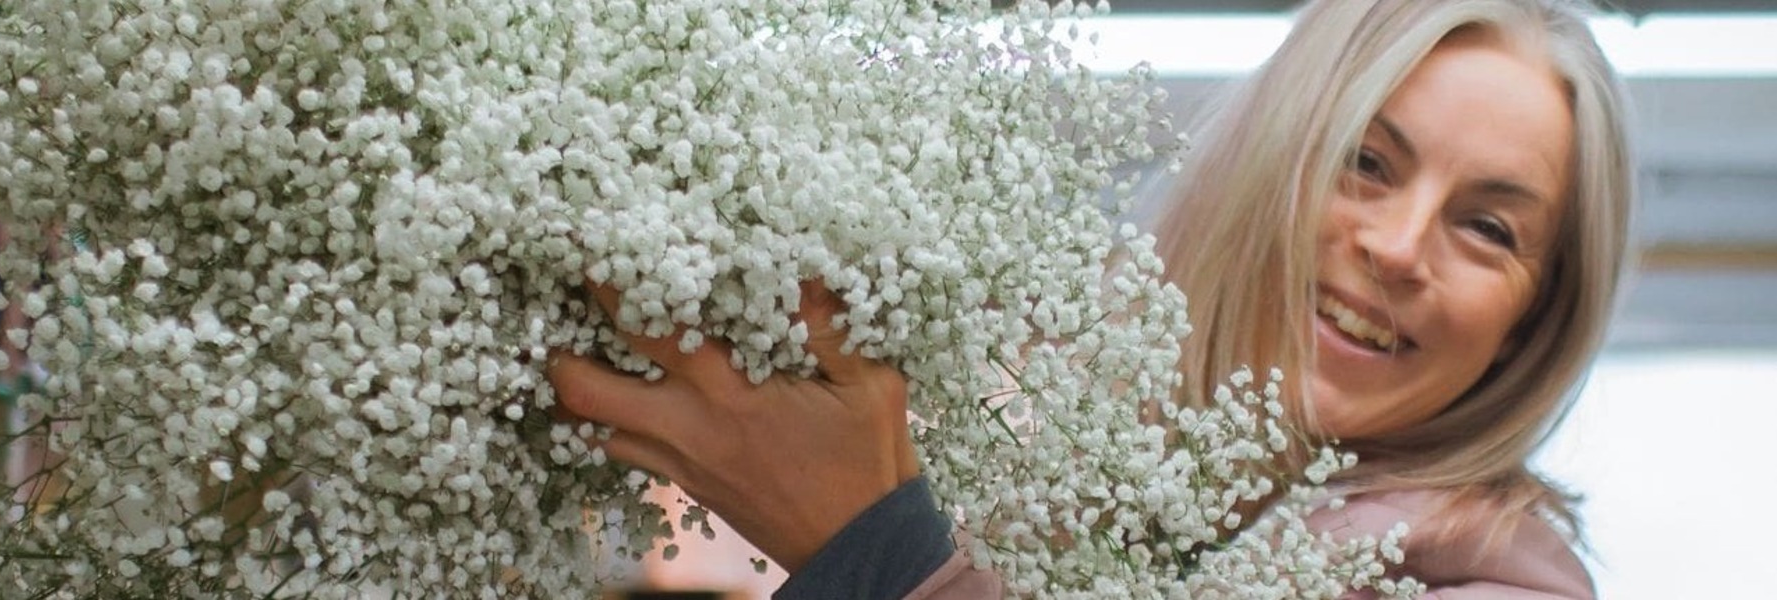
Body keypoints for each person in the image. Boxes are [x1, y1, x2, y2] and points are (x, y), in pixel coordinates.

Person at [548, 0, 1631, 597]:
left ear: (1531, 325)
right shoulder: (998, 403)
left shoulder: (1492, 588)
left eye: (1489, 229)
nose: (1397, 248)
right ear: (1268, 165)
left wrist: (875, 548)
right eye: (1366, 161)